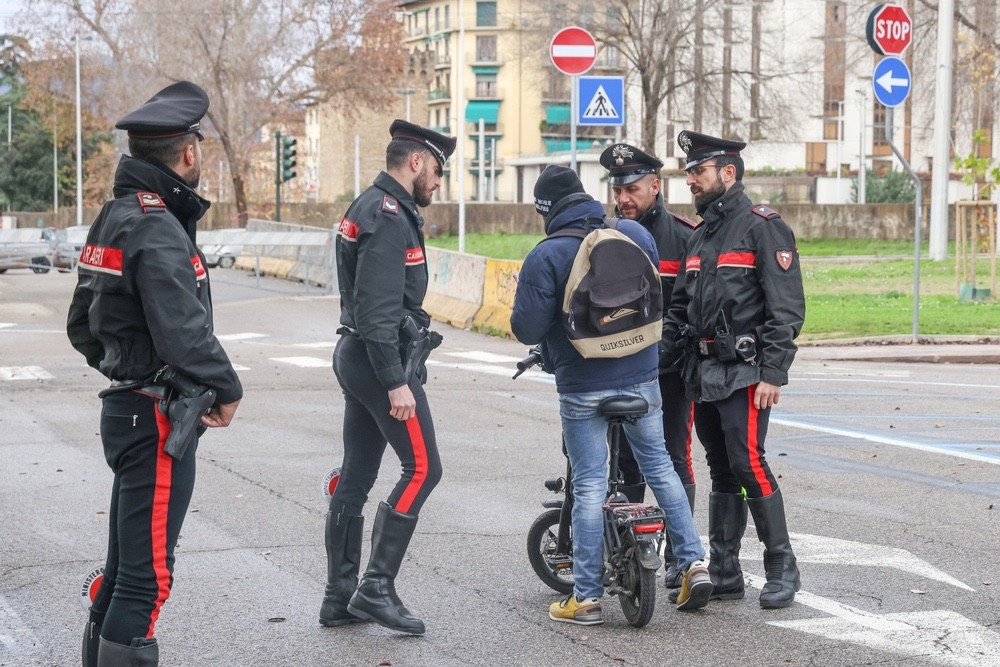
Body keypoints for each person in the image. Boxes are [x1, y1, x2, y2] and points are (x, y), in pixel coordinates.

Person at [66, 81, 242, 666]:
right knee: (147, 581)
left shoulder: (116, 215)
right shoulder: (156, 225)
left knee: (123, 573)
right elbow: (183, 331)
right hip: (157, 418)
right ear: (187, 152)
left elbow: (82, 326)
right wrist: (225, 386)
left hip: (128, 409)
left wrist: (125, 369)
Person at [511, 165, 713, 626]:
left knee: (588, 485)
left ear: (545, 209)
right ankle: (693, 563)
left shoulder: (547, 254)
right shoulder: (634, 235)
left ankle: (584, 598)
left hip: (583, 386)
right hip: (643, 376)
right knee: (660, 466)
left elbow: (526, 326)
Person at [320, 120, 453, 636]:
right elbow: (377, 313)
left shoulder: (370, 204)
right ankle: (375, 586)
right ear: (416, 161)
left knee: (355, 475)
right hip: (379, 359)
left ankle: (339, 598)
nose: (439, 182)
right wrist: (396, 381)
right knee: (423, 468)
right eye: (438, 170)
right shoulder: (390, 215)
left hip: (359, 354)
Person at [663, 130, 806, 609]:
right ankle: (724, 571)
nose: (690, 181)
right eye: (687, 173)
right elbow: (680, 309)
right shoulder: (700, 235)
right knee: (721, 469)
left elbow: (786, 309)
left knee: (748, 462)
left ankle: (782, 567)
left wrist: (773, 371)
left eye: (697, 172)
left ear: (728, 172)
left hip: (745, 372)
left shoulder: (762, 227)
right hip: (702, 372)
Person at [599, 143, 699, 594]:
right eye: (618, 189)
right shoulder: (605, 233)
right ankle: (627, 559)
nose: (624, 198)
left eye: (633, 189)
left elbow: (689, 308)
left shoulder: (682, 237)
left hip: (671, 372)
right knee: (623, 464)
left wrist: (662, 357)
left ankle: (681, 560)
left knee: (673, 459)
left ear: (656, 187)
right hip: (620, 370)